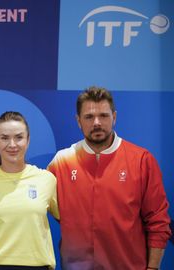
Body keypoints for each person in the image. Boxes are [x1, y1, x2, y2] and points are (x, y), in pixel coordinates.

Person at [47, 86, 171, 269]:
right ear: (78, 121)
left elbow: (158, 223)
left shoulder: (141, 160)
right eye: (89, 117)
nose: (97, 122)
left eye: (104, 116)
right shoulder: (61, 162)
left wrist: (152, 268)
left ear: (114, 117)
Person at [0, 111, 59, 270]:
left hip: (37, 266)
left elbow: (69, 222)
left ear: (28, 140)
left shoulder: (47, 180)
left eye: (19, 137)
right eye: (4, 138)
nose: (12, 144)